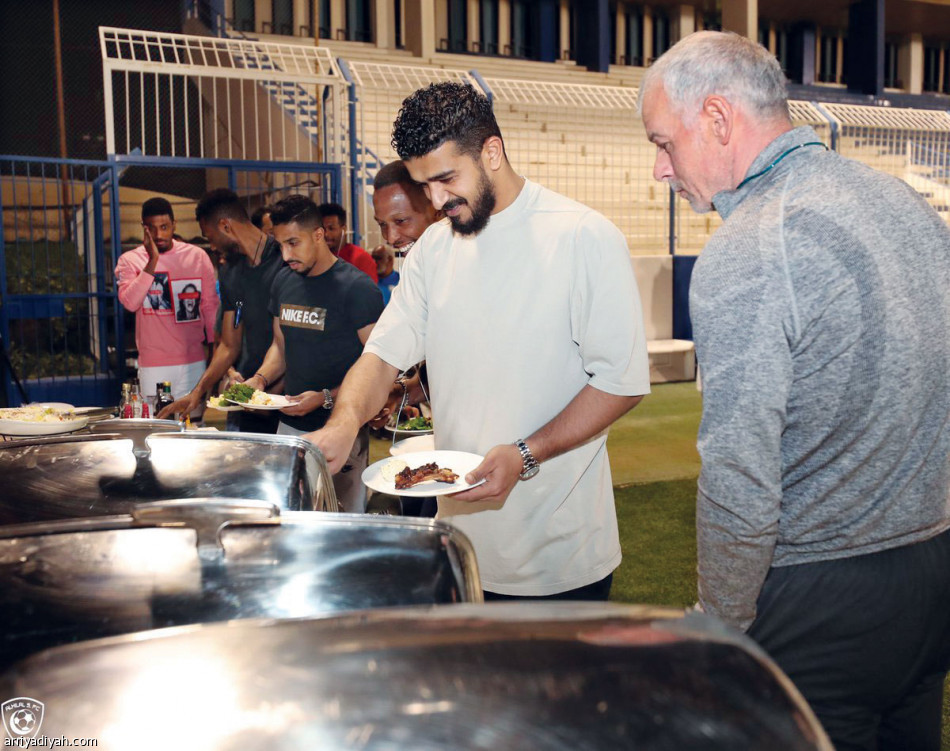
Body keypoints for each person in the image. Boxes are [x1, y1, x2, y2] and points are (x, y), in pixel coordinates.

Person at [639, 31, 950, 750]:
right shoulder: (904, 203)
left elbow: (741, 475)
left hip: (823, 597)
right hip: (932, 574)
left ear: (716, 120)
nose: (660, 169)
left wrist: (720, 622)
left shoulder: (750, 246)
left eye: (663, 142)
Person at [307, 81, 649, 599]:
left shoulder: (583, 236)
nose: (437, 200)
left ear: (492, 152)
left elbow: (622, 383)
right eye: (425, 185)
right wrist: (343, 423)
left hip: (560, 552)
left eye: (446, 178)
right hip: (460, 547)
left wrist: (526, 454)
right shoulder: (431, 252)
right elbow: (381, 355)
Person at [243, 195, 384, 512]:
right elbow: (280, 347)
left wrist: (325, 397)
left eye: (293, 243)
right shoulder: (283, 280)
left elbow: (379, 368)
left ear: (319, 235)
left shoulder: (357, 289)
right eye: (280, 245)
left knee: (340, 529)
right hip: (289, 427)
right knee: (290, 519)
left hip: (341, 429)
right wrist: (260, 379)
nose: (286, 254)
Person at [158, 189, 285, 434]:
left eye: (210, 236)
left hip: (289, 401)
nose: (212, 244)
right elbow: (229, 344)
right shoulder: (231, 273)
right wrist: (197, 393)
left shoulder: (285, 259)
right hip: (248, 400)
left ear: (226, 226)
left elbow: (291, 342)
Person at [115, 197, 218, 415]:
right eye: (152, 229)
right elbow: (130, 303)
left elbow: (209, 307)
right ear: (144, 228)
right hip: (154, 365)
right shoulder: (130, 260)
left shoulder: (197, 256)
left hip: (194, 362)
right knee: (157, 429)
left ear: (174, 225)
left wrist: (215, 352)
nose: (159, 235)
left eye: (164, 227)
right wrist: (152, 262)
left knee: (193, 427)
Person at [317, 202, 378, 282]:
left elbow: (370, 293)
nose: (326, 234)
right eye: (322, 229)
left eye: (331, 228)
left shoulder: (361, 258)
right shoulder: (313, 258)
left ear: (344, 229)